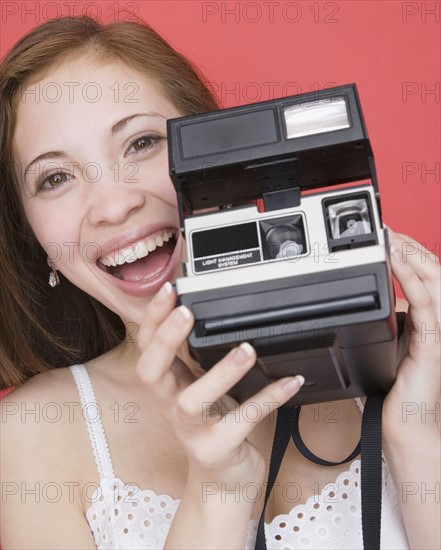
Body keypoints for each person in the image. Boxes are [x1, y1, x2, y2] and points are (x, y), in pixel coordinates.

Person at [0, 15, 439, 550]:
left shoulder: (410, 367)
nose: (114, 206)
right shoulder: (30, 437)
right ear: (31, 232)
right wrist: (217, 491)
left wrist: (417, 433)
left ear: (223, 156)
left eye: (141, 143)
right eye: (55, 178)